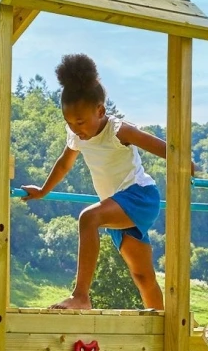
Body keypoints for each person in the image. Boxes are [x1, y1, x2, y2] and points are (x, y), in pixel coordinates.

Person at [21, 53, 167, 312]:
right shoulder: (77, 136)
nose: (76, 128)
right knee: (143, 276)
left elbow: (164, 148)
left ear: (100, 111)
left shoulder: (118, 130)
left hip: (139, 196)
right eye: (69, 123)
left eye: (80, 121)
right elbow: (64, 164)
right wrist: (43, 191)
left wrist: (189, 166)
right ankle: (163, 321)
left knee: (89, 218)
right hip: (116, 205)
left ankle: (80, 296)